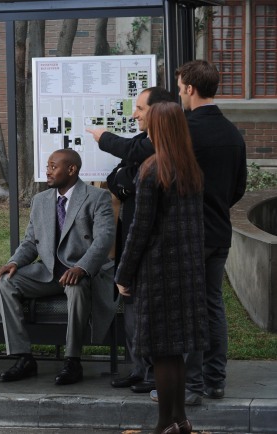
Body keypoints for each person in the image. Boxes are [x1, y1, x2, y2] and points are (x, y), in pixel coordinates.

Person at [115, 101, 209, 434]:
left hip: (157, 272)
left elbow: (140, 229)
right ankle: (180, 420)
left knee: (161, 352)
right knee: (174, 352)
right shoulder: (189, 167)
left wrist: (123, 275)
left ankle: (164, 424)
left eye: (149, 120)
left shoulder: (153, 169)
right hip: (186, 270)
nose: (143, 122)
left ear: (160, 128)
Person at [0, 149, 116, 385]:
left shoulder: (97, 197)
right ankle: (23, 357)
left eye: (52, 166)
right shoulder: (41, 201)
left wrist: (82, 268)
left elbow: (104, 239)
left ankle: (72, 360)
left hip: (81, 273)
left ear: (72, 169)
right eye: (47, 166)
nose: (47, 171)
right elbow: (30, 241)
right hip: (48, 273)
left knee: (78, 288)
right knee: (5, 282)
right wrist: (13, 262)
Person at [86, 86, 172, 394]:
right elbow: (117, 177)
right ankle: (139, 368)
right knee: (131, 304)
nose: (133, 113)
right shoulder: (143, 142)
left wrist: (106, 140)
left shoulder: (164, 148)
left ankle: (152, 372)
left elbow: (132, 161)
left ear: (158, 112)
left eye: (139, 108)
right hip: (132, 237)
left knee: (148, 309)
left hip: (149, 244)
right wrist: (124, 180)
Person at [176, 60, 247, 405]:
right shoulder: (233, 132)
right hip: (219, 232)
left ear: (190, 88)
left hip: (189, 235)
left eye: (180, 88)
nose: (179, 94)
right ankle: (214, 380)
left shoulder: (186, 130)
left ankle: (191, 386)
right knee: (212, 306)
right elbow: (238, 188)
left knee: (189, 309)